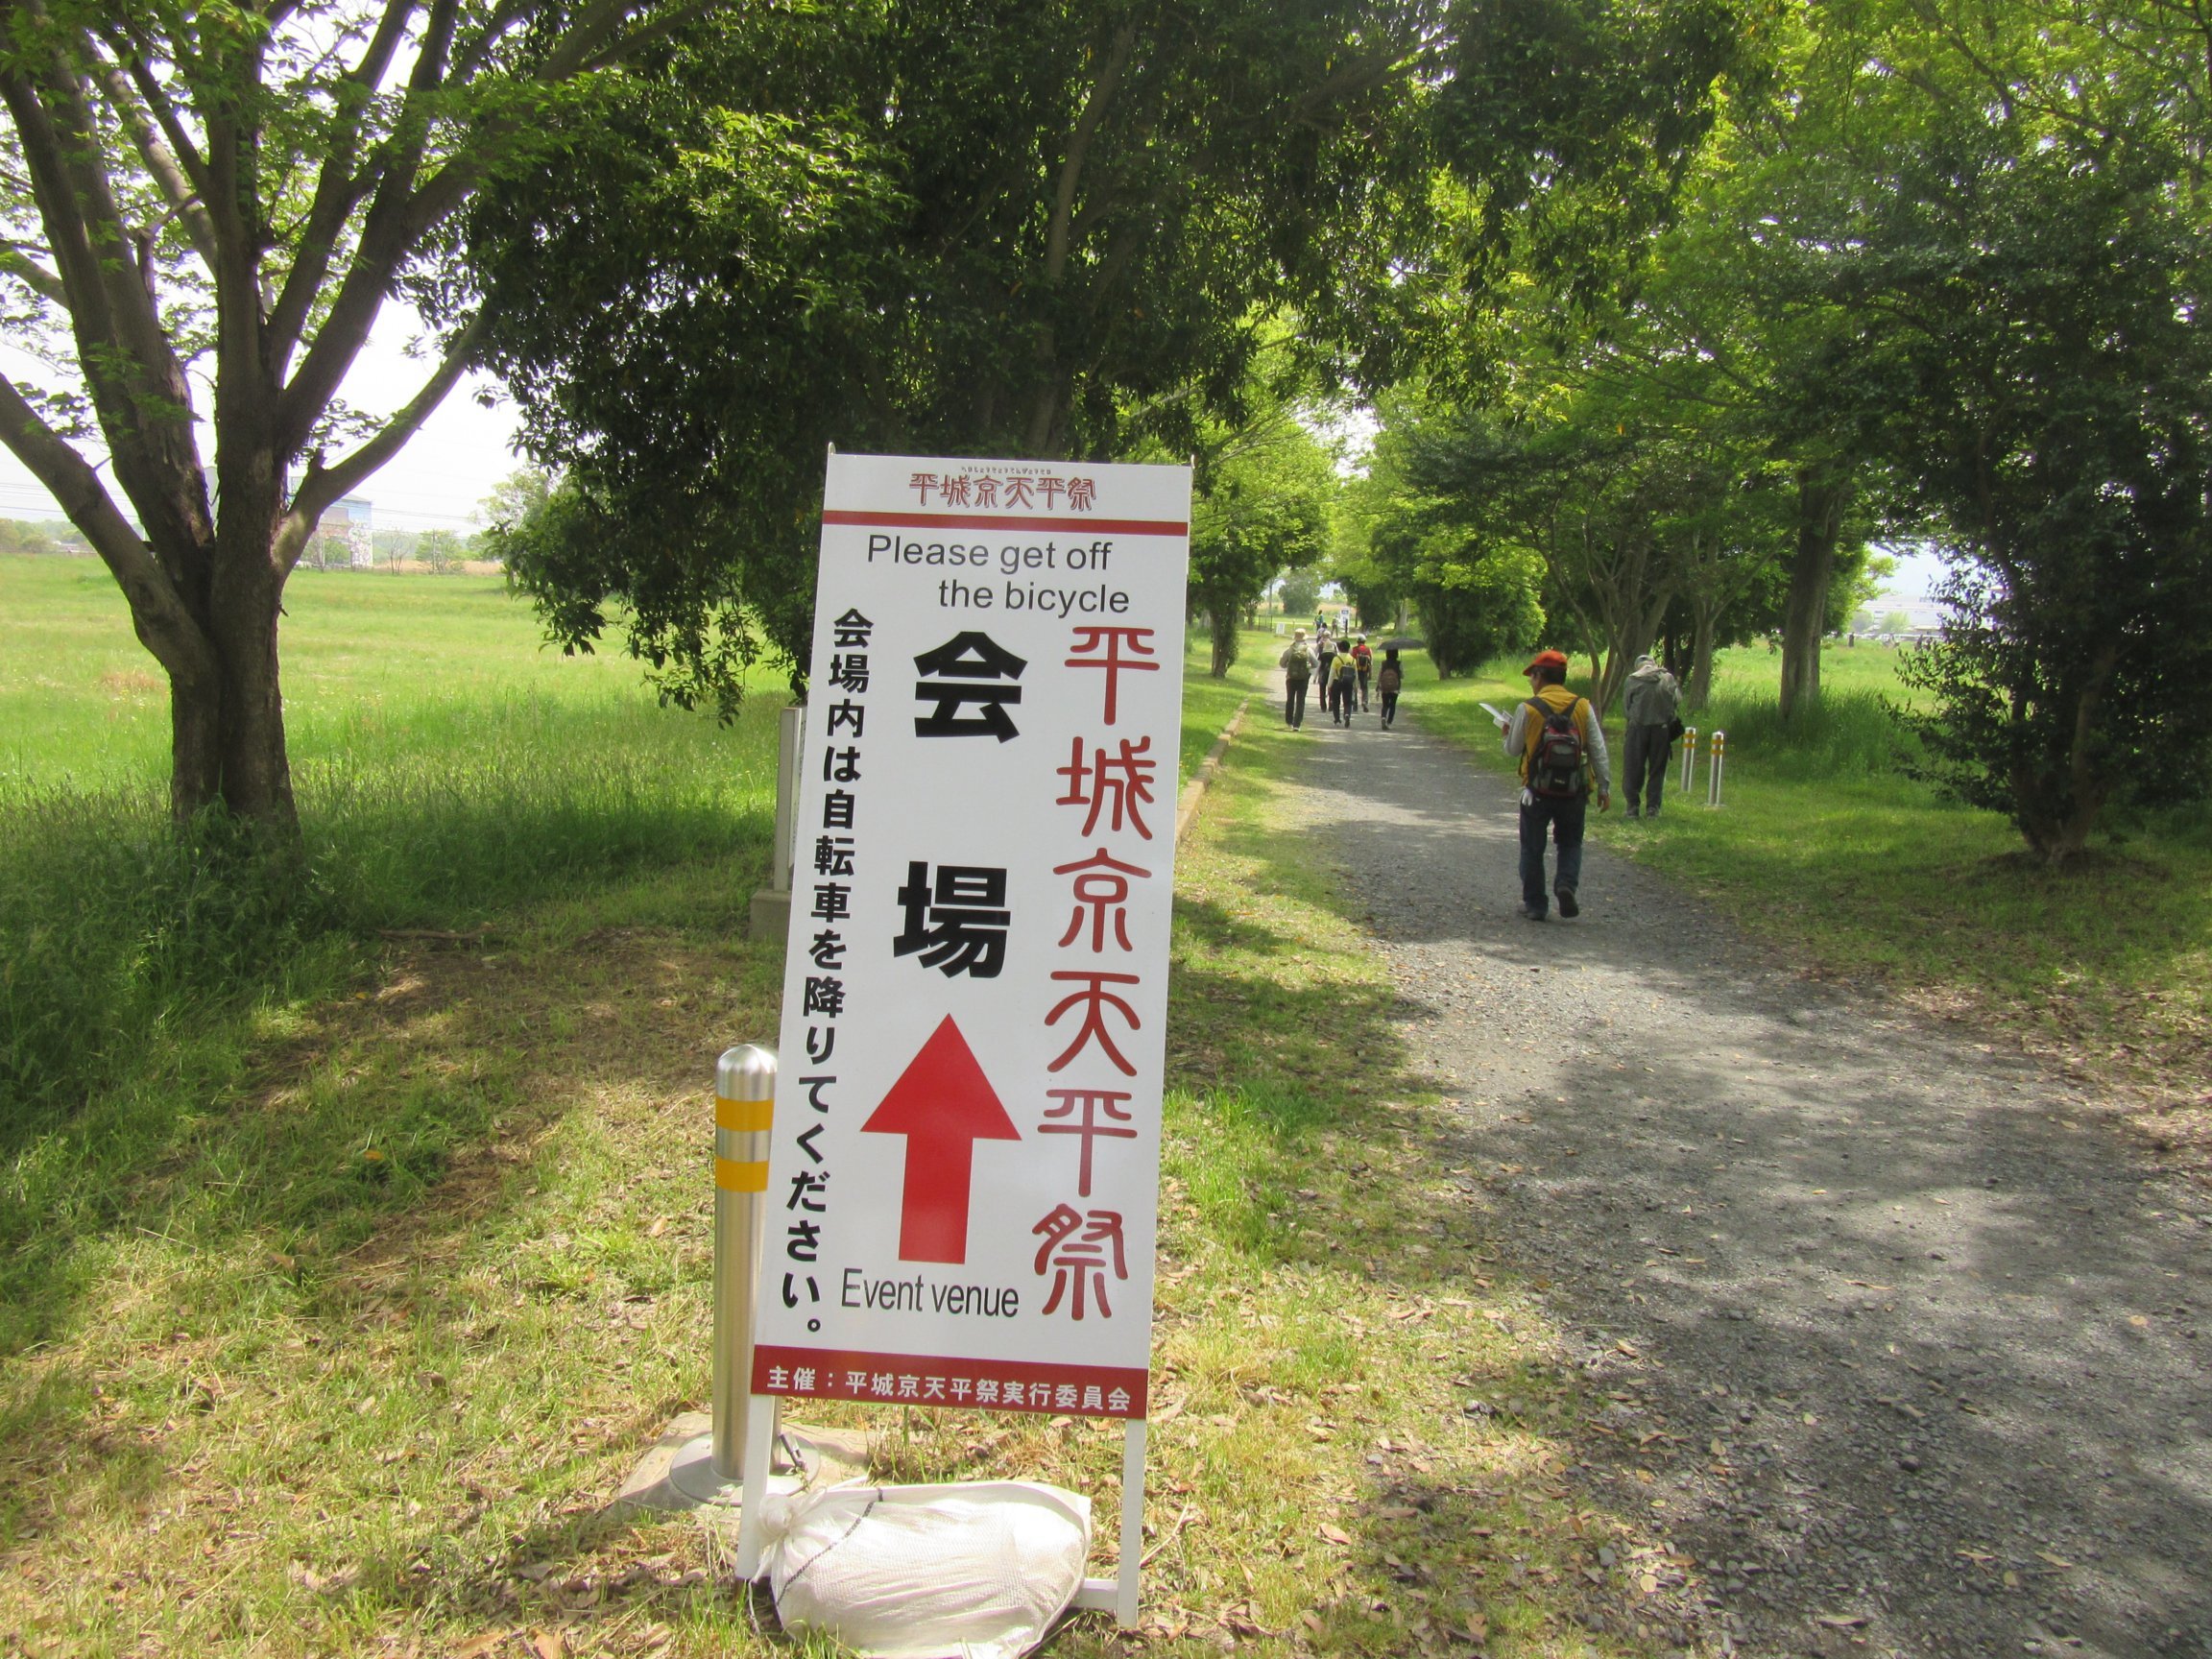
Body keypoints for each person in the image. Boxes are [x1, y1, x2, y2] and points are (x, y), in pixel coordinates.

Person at [1495, 649, 1610, 920]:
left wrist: (1506, 735)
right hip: (1574, 790)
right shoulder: (1583, 706)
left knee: (1532, 847)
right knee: (1570, 843)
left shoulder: (1528, 708)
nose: (1530, 681)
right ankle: (1566, 885)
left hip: (1536, 790)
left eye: (1532, 676)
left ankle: (1536, 904)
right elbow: (1597, 749)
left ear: (1540, 676)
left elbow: (1513, 750)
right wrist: (1604, 787)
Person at [1620, 651, 1682, 818]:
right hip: (1661, 730)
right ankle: (1653, 808)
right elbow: (1677, 700)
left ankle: (1632, 807)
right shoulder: (1667, 678)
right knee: (1657, 770)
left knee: (1633, 768)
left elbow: (1626, 707)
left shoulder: (1632, 680)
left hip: (1637, 729)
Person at [1279, 630, 1314, 729]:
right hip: (1303, 679)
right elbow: (1315, 663)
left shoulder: (1290, 650)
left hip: (1291, 678)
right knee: (1300, 700)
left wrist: (1289, 666)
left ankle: (1289, 721)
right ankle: (1297, 724)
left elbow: (1282, 664)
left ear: (1295, 638)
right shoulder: (1308, 650)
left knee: (1290, 699)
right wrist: (1307, 666)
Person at [1326, 639, 1360, 725]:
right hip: (1348, 682)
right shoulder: (1353, 659)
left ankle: (1337, 718)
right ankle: (1347, 714)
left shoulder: (1336, 659)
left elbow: (1332, 673)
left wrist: (1329, 685)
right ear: (1348, 648)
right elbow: (1355, 674)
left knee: (1336, 701)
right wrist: (1356, 685)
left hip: (1337, 682)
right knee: (1348, 701)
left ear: (1339, 648)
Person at [1376, 647, 1404, 728]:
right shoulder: (1399, 663)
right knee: (1393, 705)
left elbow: (1380, 674)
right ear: (1396, 654)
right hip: (1395, 687)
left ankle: (1383, 717)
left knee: (1385, 704)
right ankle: (1389, 722)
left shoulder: (1383, 663)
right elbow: (1402, 676)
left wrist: (1378, 685)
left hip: (1385, 687)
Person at [1351, 635, 1374, 710]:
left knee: (1354, 687)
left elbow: (1351, 661)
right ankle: (1364, 701)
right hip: (1364, 671)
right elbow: (1371, 663)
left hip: (1355, 670)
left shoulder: (1354, 649)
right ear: (1364, 641)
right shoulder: (1368, 649)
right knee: (1364, 687)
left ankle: (1354, 703)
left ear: (1357, 641)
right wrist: (1370, 674)